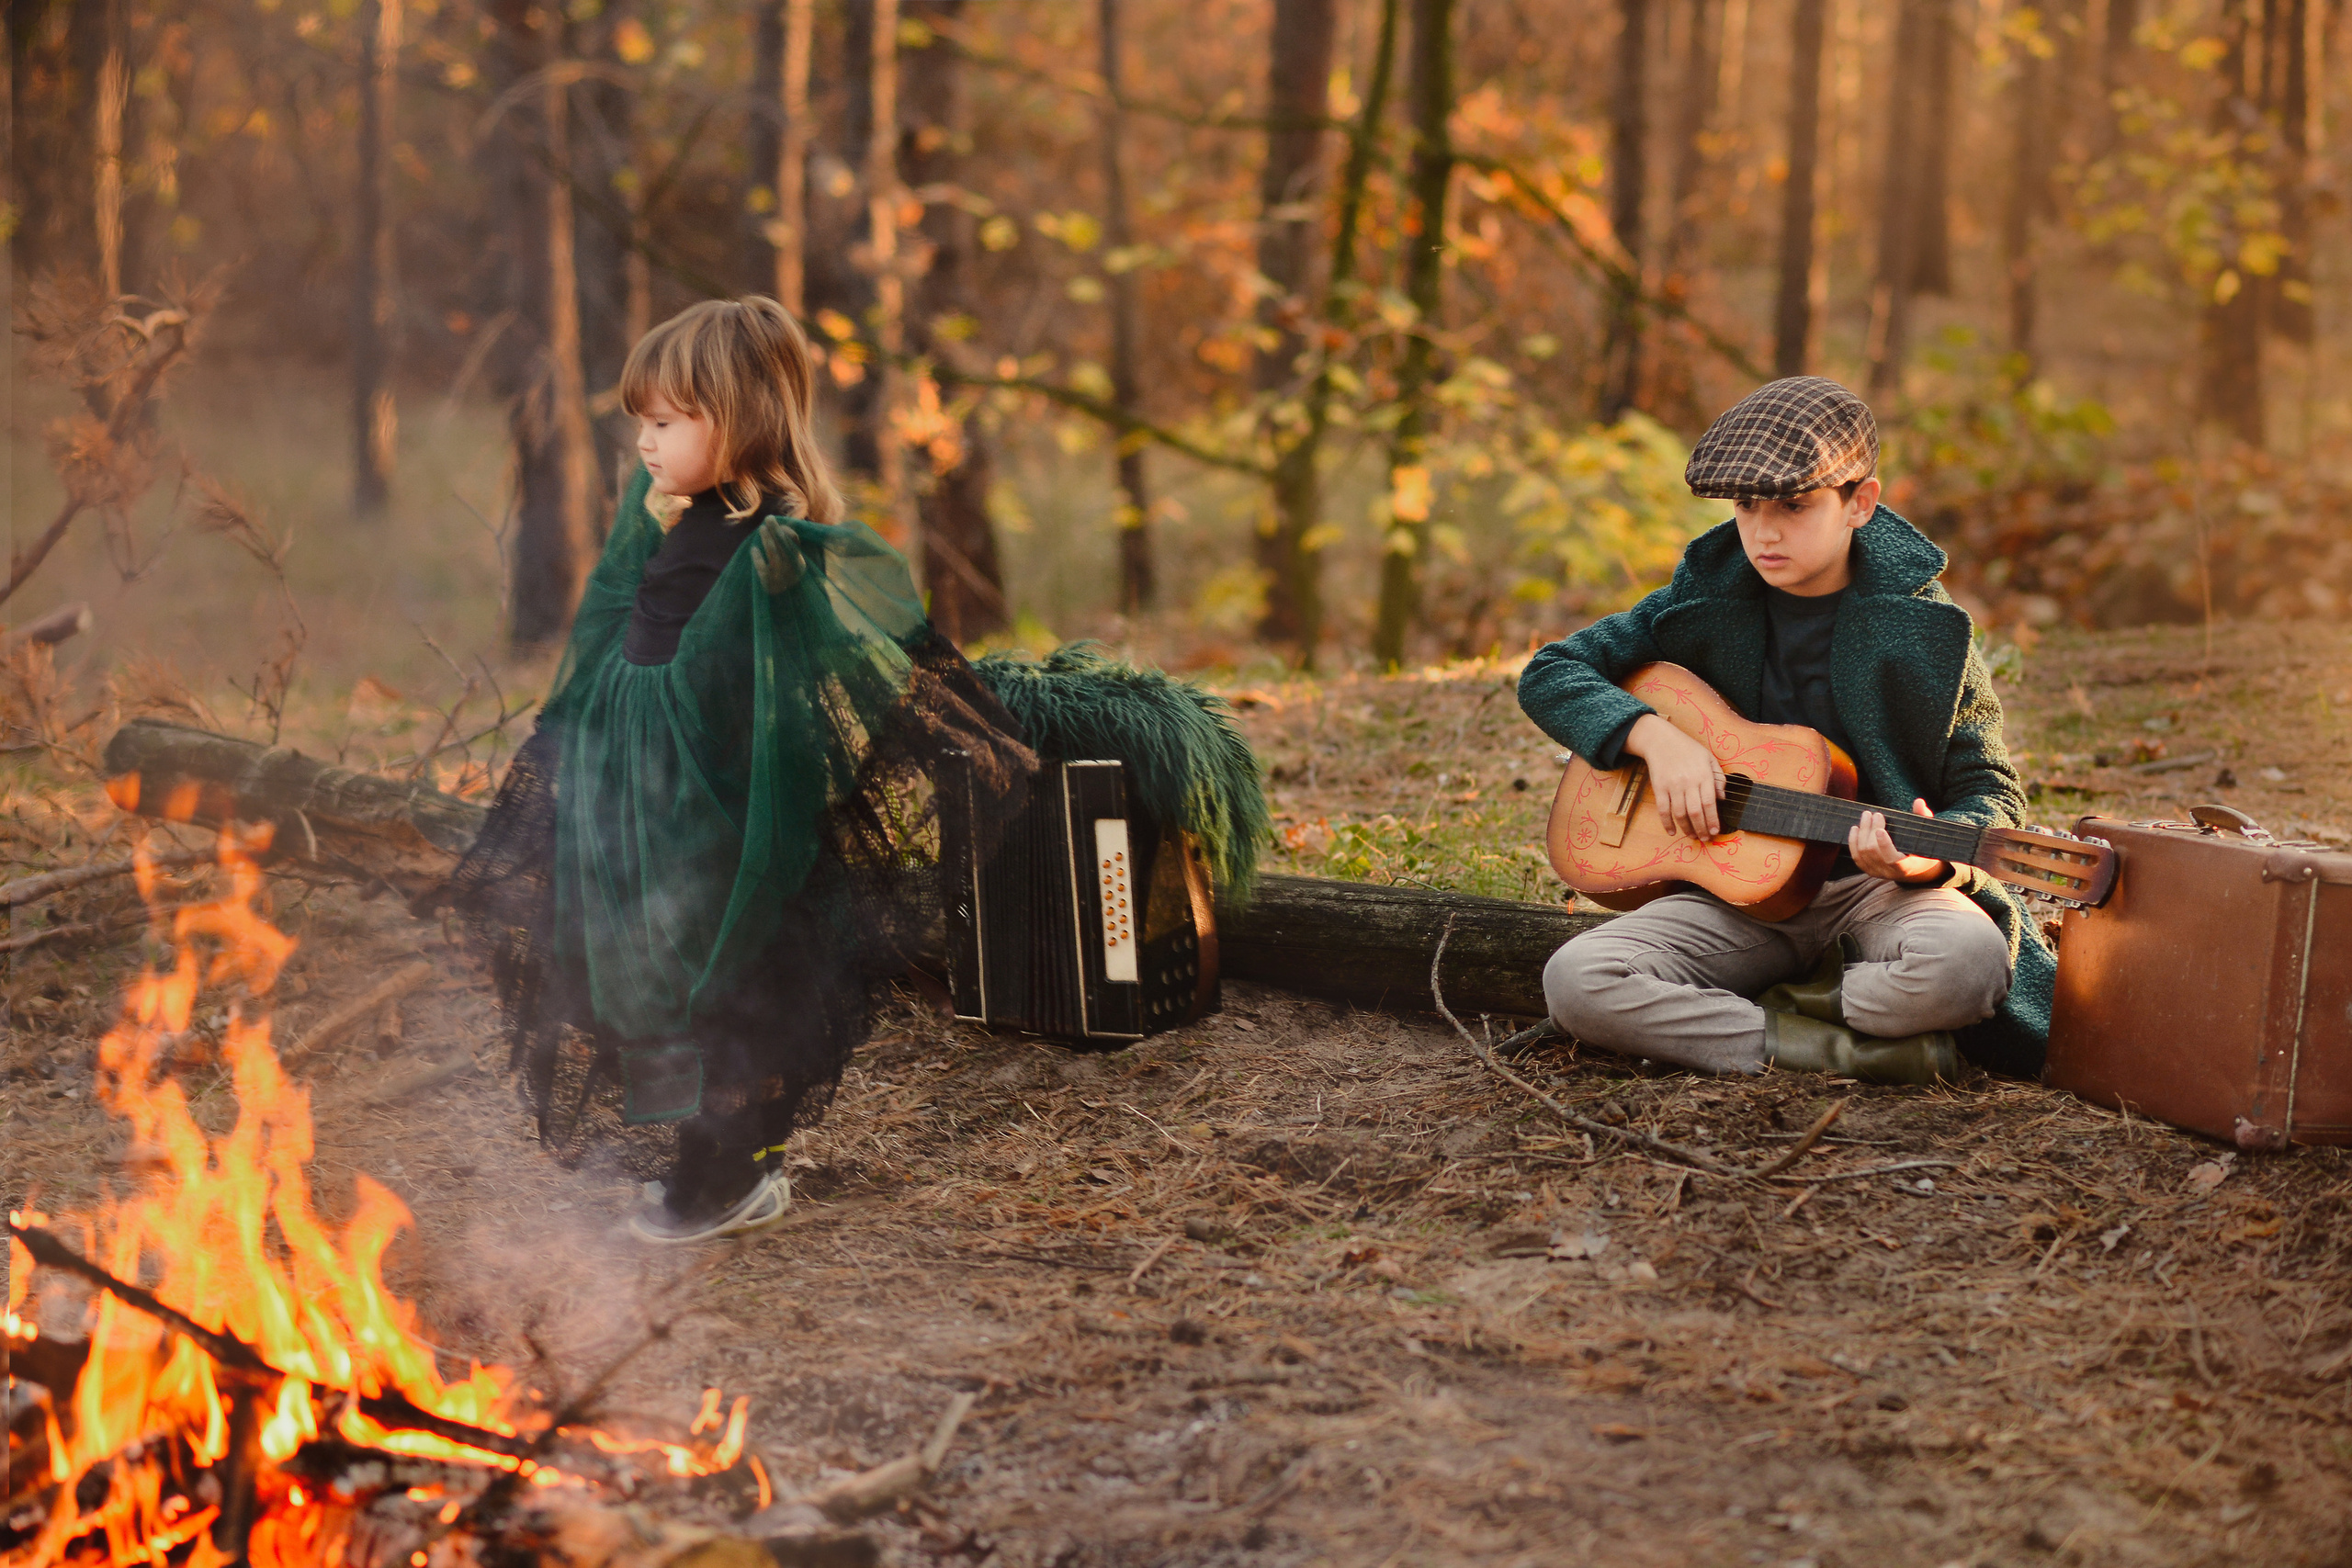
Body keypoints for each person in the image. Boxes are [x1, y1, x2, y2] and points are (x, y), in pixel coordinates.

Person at [447, 297, 1033, 1243]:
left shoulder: (770, 548)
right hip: (651, 804)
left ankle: (724, 1180)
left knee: (730, 986)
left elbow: (831, 663)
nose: (644, 440)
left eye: (668, 421)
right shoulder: (684, 522)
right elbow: (618, 629)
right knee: (677, 982)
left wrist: (965, 730)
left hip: (715, 814)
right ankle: (726, 1169)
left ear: (742, 422)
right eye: (642, 419)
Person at [1516, 376, 2053, 1085]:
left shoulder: (1928, 627)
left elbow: (1993, 792)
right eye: (1747, 505)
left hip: (1881, 891)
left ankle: (1778, 1010)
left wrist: (1931, 863)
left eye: (1795, 507)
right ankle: (1836, 1046)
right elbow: (1551, 670)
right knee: (1579, 979)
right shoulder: (1703, 597)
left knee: (1970, 965)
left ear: (1860, 502)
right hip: (1733, 898)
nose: (1764, 531)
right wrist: (1656, 739)